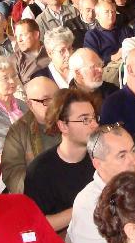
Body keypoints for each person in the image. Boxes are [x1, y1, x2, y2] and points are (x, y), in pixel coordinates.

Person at [69, 124, 135, 243]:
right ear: (98, 164)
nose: (133, 161)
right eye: (122, 156)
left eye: (133, 151)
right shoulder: (88, 204)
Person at [24, 89, 97, 232]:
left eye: (94, 117)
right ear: (63, 126)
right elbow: (37, 225)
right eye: (85, 119)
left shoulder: (101, 156)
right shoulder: (40, 171)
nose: (94, 125)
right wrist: (84, 206)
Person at [2, 77, 61, 194]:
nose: (55, 104)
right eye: (46, 100)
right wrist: (42, 189)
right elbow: (12, 174)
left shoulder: (72, 119)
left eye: (58, 98)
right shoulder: (19, 131)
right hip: (40, 196)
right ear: (30, 104)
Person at [13, 19, 50, 84]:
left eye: (22, 35)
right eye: (16, 37)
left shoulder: (51, 52)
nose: (19, 40)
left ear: (36, 34)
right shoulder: (15, 60)